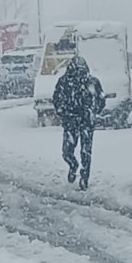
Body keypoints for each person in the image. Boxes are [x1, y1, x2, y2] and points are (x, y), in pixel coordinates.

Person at [52, 56, 106, 190]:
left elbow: (101, 99)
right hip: (71, 122)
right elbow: (57, 99)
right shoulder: (64, 82)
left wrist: (92, 112)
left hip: (87, 122)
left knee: (86, 152)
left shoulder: (92, 82)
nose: (79, 74)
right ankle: (73, 165)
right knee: (67, 151)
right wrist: (64, 113)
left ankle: (84, 177)